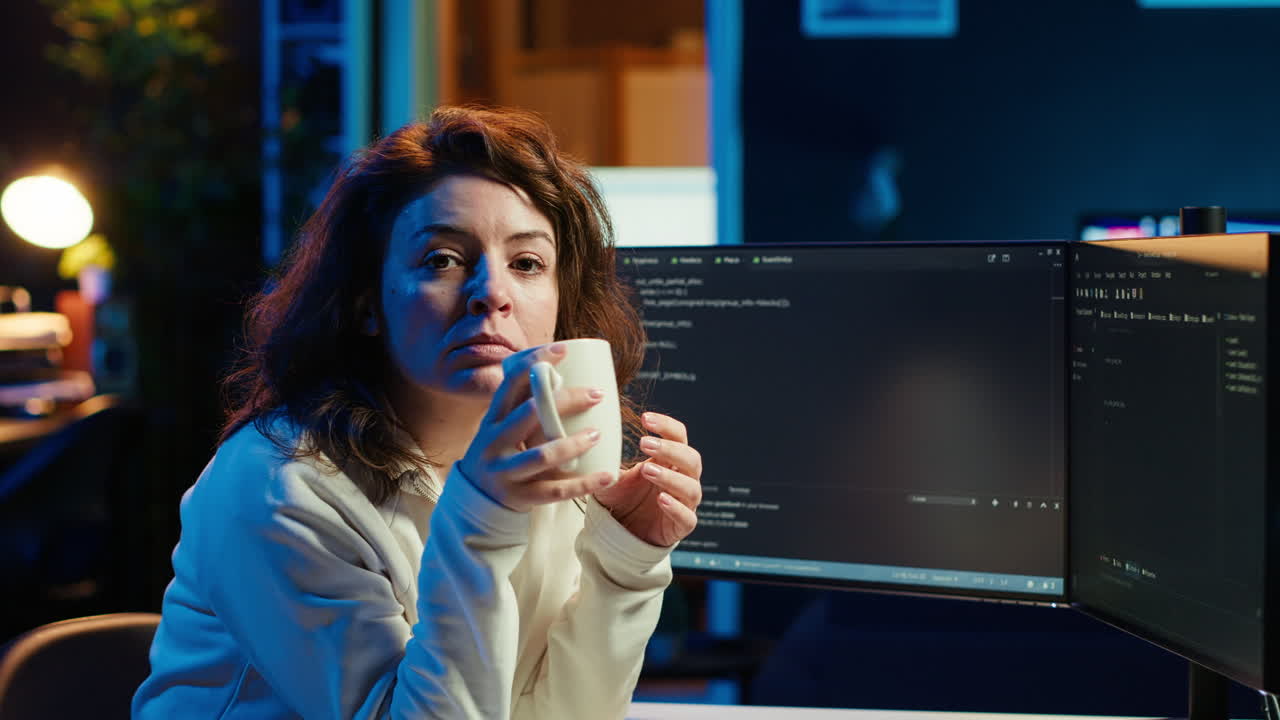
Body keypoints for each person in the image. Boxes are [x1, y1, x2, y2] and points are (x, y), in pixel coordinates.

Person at [132, 106, 703, 719]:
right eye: (441, 260)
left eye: (528, 263)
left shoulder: (546, 461)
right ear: (365, 303)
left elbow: (563, 711)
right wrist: (482, 520)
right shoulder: (276, 485)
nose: (493, 291)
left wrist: (626, 562)